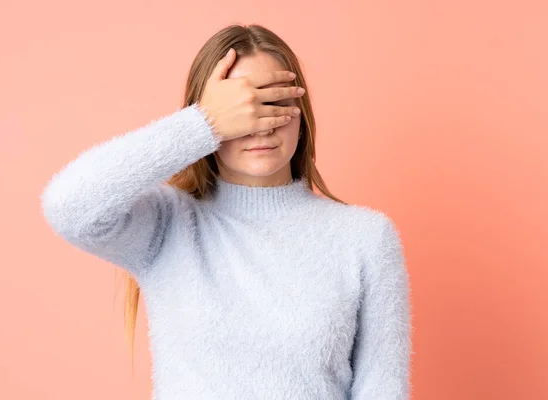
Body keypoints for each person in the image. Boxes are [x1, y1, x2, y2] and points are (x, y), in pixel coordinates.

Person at [41, 24, 412, 400]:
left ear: (301, 115)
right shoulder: (168, 225)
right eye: (242, 110)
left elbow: (383, 390)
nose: (260, 126)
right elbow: (70, 207)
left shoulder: (364, 237)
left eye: (274, 103)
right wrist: (203, 124)